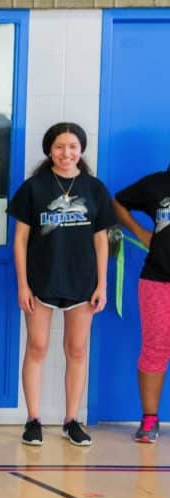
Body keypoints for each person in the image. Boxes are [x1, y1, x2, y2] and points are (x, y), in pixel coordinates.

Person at [7, 122, 115, 447]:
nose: (66, 153)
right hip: (41, 282)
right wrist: (23, 285)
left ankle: (71, 420)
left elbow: (101, 241)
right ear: (49, 150)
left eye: (72, 147)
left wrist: (102, 285)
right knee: (37, 347)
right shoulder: (34, 188)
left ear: (81, 150)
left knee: (77, 351)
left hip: (83, 284)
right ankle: (34, 419)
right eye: (59, 147)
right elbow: (20, 240)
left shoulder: (95, 189)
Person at [113, 165, 170, 442]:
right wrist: (139, 232)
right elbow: (117, 202)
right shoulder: (156, 184)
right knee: (155, 347)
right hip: (158, 279)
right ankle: (149, 420)